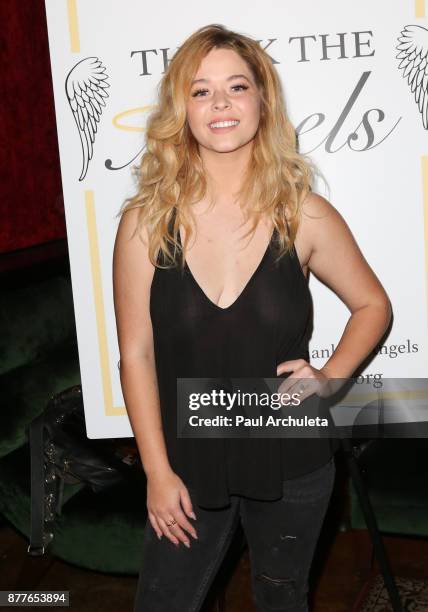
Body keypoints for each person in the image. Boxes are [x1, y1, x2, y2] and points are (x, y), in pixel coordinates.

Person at [112, 24, 392, 612]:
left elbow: (373, 305)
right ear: (180, 109)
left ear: (261, 101)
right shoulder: (144, 223)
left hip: (291, 454)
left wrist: (333, 376)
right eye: (200, 90)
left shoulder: (303, 214)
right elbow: (136, 353)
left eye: (236, 87)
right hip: (188, 461)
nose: (220, 104)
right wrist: (157, 473)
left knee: (281, 597)